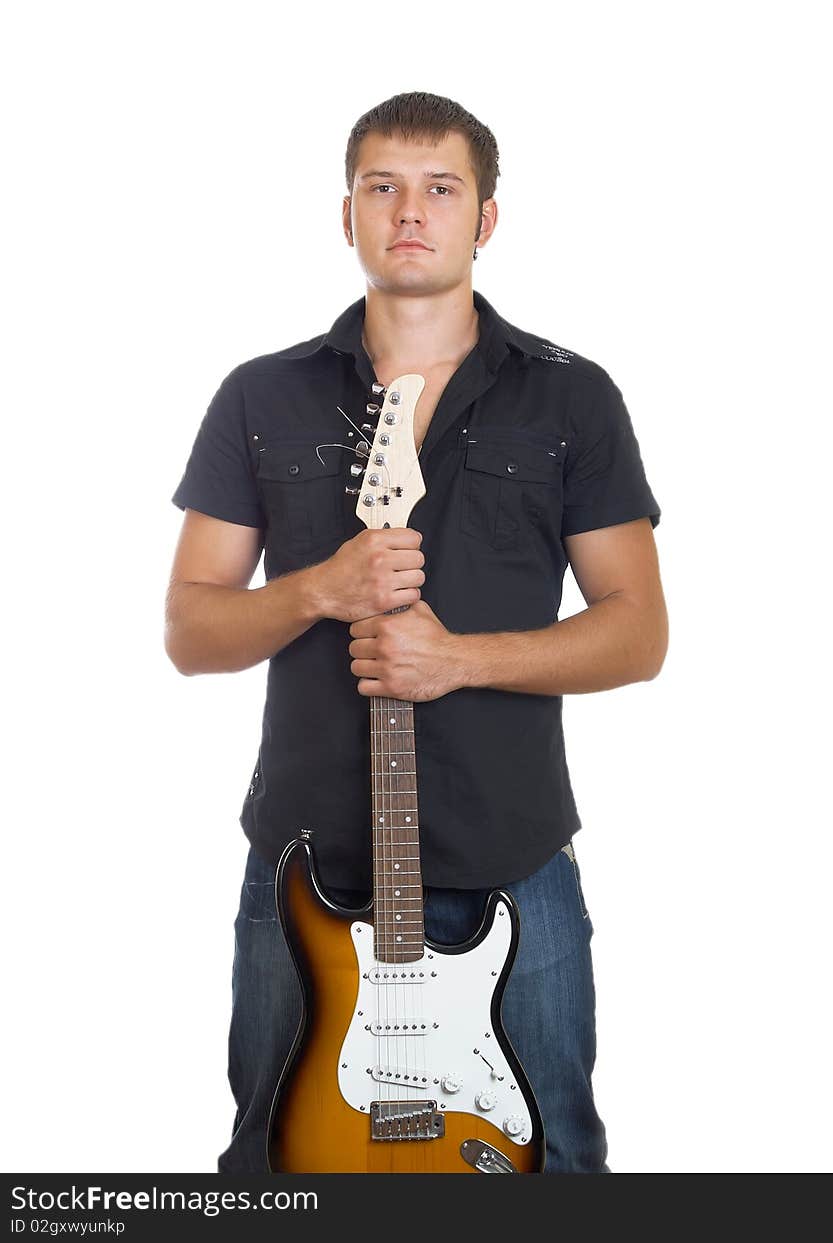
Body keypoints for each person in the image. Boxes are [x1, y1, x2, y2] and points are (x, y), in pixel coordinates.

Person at [165, 90, 667, 1175]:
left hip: (514, 859)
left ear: (485, 219)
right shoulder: (263, 394)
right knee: (272, 1165)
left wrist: (460, 660)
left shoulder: (570, 400)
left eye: (440, 188)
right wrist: (318, 589)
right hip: (306, 860)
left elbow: (637, 634)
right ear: (343, 213)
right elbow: (192, 630)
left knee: (558, 1163)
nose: (409, 211)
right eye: (381, 187)